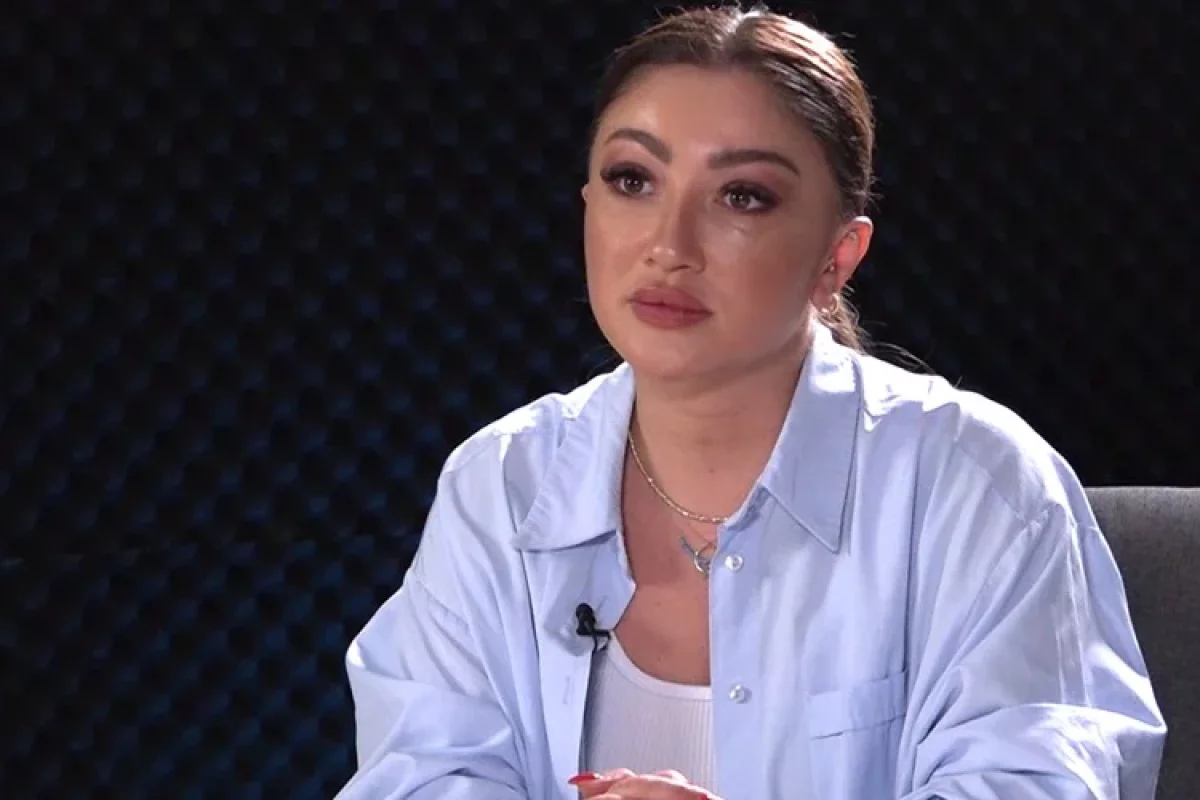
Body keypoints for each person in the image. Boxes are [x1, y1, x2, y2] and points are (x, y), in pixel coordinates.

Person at [336, 5, 1165, 799]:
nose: (668, 245)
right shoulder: (501, 485)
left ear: (837, 258)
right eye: (633, 179)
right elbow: (418, 777)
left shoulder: (976, 485)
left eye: (742, 196)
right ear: (588, 206)